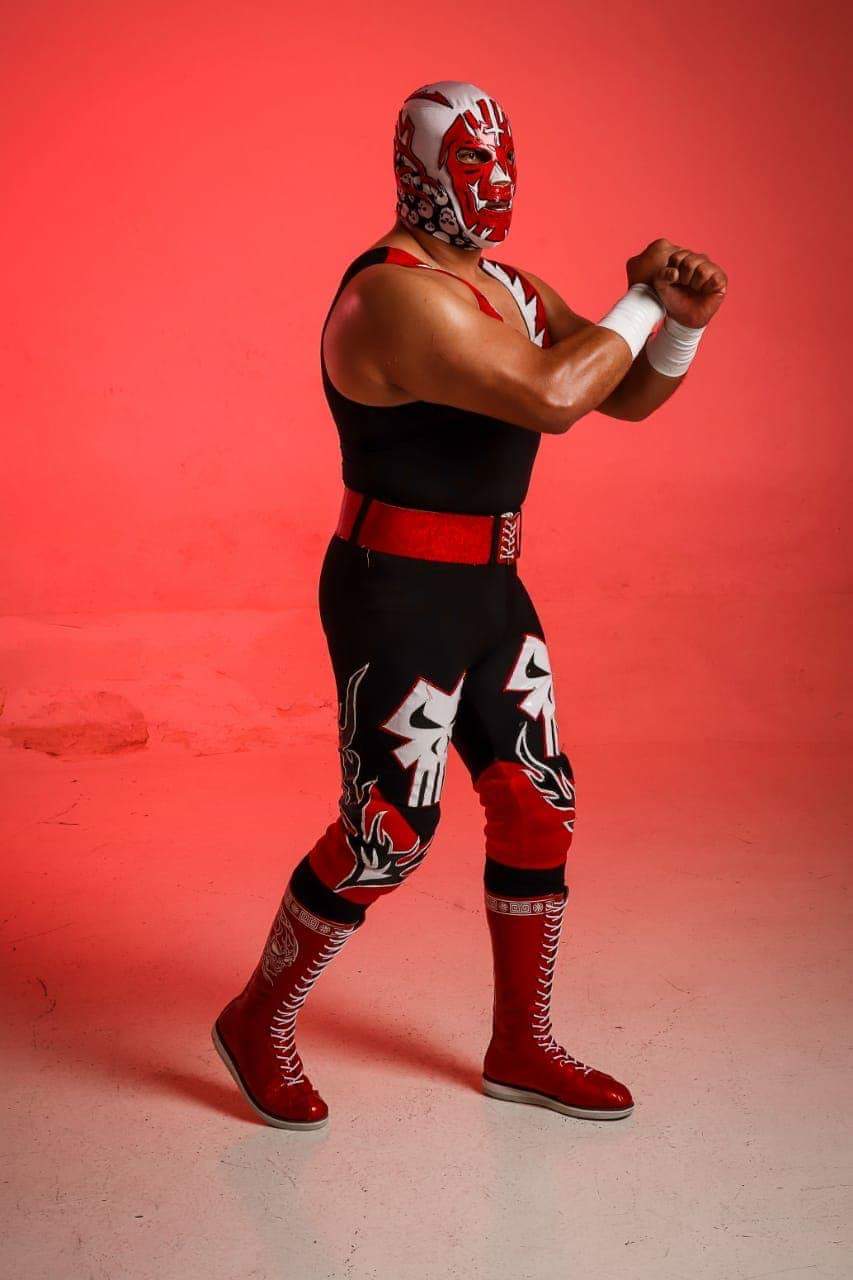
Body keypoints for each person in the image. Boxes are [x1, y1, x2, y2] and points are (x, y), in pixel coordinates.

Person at [212, 80, 728, 1129]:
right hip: (395, 587)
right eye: (472, 158)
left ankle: (519, 1043)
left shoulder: (508, 288)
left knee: (541, 805)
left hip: (490, 585)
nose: (497, 180)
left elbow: (621, 393)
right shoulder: (393, 295)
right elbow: (552, 396)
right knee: (388, 833)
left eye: (507, 157)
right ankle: (255, 1018)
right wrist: (638, 300)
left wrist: (676, 327)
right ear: (417, 169)